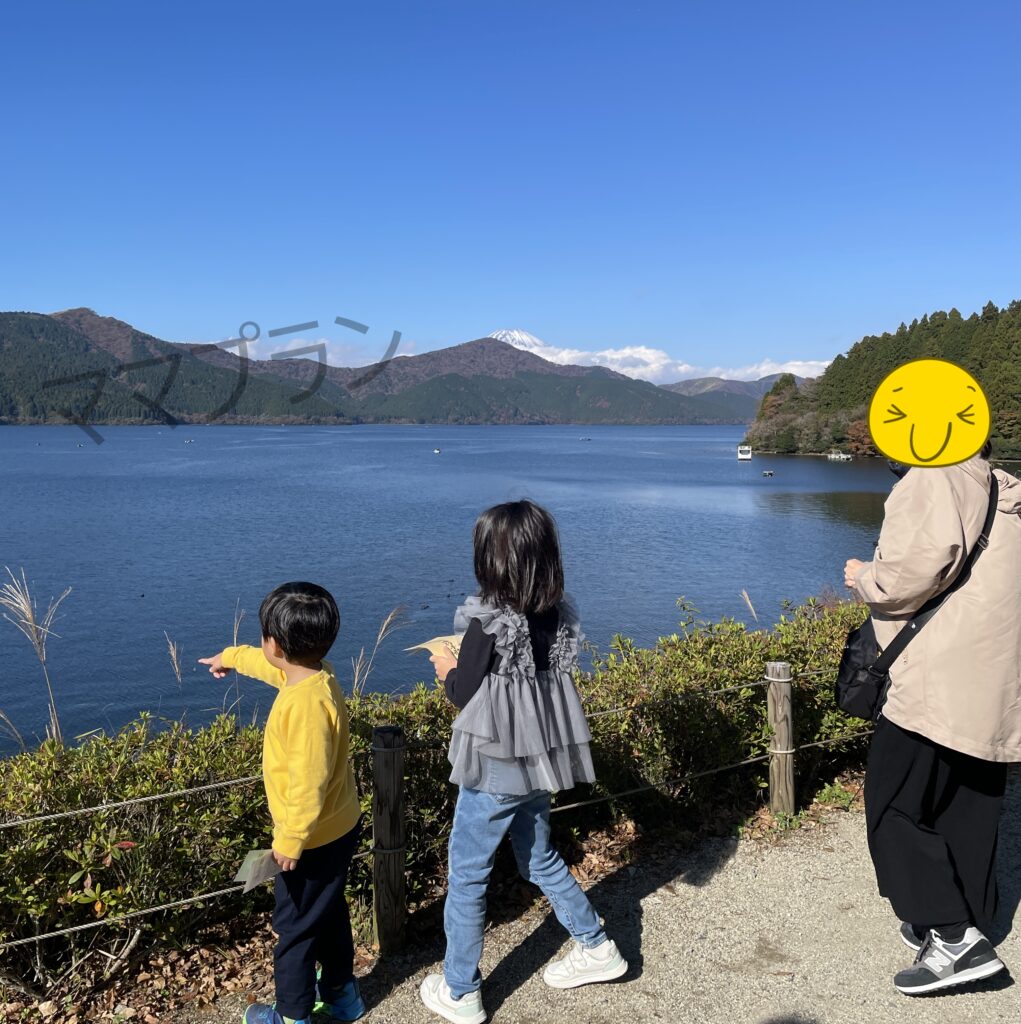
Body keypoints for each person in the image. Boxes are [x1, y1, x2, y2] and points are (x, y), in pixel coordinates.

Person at [419, 500, 627, 1024]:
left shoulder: (486, 622)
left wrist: (446, 664)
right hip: (539, 760)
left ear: (491, 561)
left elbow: (462, 692)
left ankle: (461, 991)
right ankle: (597, 946)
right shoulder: (555, 613)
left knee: (467, 876)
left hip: (493, 765)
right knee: (537, 857)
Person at [843, 442, 1021, 996]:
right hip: (993, 679)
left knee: (893, 805)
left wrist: (862, 575)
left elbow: (903, 581)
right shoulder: (1002, 488)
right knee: (968, 801)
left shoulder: (932, 480)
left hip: (936, 679)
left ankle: (952, 940)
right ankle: (966, 916)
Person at [199, 582, 365, 1024]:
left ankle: (292, 1015)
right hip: (338, 826)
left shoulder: (304, 708)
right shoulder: (315, 675)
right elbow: (273, 670)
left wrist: (290, 840)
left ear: (273, 643)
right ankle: (341, 996)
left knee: (293, 931)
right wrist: (231, 657)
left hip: (309, 840)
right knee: (328, 913)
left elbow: (308, 783)